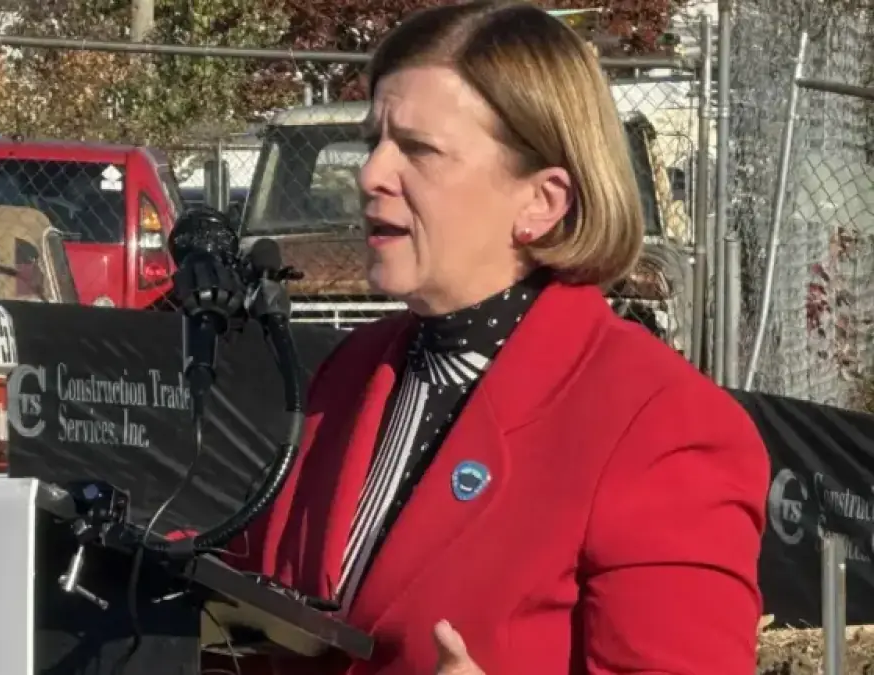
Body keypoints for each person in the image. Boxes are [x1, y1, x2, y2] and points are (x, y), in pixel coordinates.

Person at [218, 2, 770, 674]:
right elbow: (265, 602)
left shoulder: (662, 425)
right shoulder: (356, 368)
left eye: (419, 149)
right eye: (373, 143)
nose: (371, 175)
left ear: (541, 201)